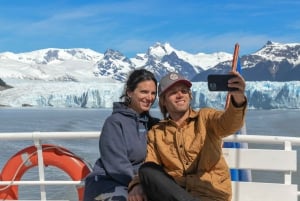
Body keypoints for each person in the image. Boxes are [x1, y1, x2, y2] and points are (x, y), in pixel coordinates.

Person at [128, 72, 247, 201]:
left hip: (210, 196)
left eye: (184, 91)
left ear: (190, 96)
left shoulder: (206, 118)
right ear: (163, 101)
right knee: (147, 170)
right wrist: (137, 184)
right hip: (177, 195)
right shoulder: (157, 133)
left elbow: (230, 124)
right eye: (173, 92)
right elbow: (150, 164)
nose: (180, 95)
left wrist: (238, 98)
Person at [83, 69, 159, 201]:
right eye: (144, 92)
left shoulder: (153, 124)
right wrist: (136, 183)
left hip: (141, 182)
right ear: (129, 92)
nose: (150, 97)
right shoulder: (114, 123)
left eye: (153, 93)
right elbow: (117, 164)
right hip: (110, 181)